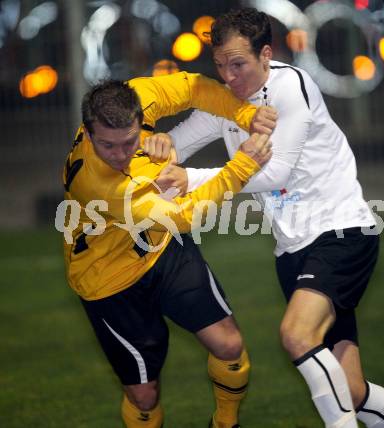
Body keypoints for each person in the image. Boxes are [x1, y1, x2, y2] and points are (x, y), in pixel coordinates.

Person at [148, 8, 384, 428]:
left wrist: (190, 178)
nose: (228, 76)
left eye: (238, 64)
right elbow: (177, 144)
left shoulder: (289, 86)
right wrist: (155, 146)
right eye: (219, 65)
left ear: (266, 54)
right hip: (292, 250)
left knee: (296, 335)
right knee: (351, 392)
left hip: (341, 232)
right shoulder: (226, 100)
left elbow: (276, 171)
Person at [61, 74, 273, 428]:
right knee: (144, 396)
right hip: (108, 280)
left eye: (128, 142)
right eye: (107, 146)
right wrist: (241, 167)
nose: (119, 154)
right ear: (87, 131)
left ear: (139, 116)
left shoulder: (138, 96)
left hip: (160, 250)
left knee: (229, 346)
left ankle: (225, 424)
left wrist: (245, 114)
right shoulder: (98, 183)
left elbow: (194, 88)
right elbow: (182, 216)